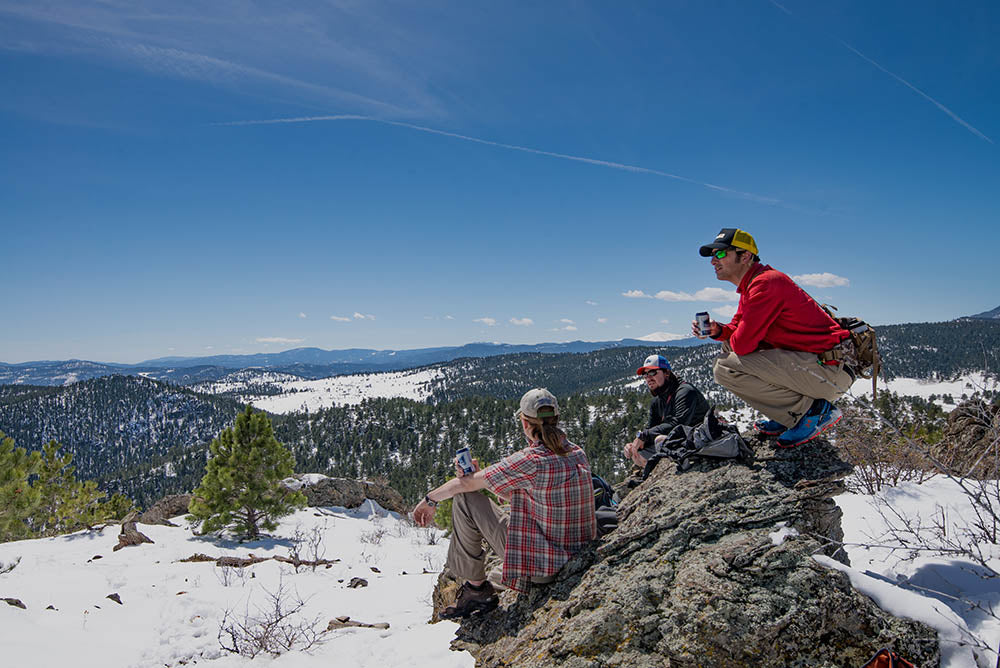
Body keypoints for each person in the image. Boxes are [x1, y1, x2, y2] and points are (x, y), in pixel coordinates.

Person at [412, 388, 597, 619]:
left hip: (545, 567)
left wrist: (429, 500)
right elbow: (538, 496)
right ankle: (490, 582)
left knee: (464, 499)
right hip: (577, 554)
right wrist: (480, 479)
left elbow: (463, 487)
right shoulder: (577, 452)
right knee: (478, 497)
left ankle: (476, 589)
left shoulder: (531, 460)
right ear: (557, 420)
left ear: (525, 423)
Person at [691, 228, 853, 448]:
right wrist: (718, 331)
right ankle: (791, 415)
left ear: (745, 256)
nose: (713, 261)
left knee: (725, 368)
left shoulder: (765, 283)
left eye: (721, 254)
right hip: (817, 367)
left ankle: (811, 412)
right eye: (712, 256)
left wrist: (734, 335)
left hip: (828, 371)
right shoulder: (753, 285)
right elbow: (736, 330)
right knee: (729, 348)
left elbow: (744, 344)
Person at [622, 354, 710, 467]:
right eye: (645, 374)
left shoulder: (685, 392)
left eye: (653, 373)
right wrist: (634, 445)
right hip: (681, 441)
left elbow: (679, 424)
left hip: (701, 438)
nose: (648, 378)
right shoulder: (657, 401)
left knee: (660, 440)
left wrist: (645, 435)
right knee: (637, 453)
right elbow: (652, 429)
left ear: (667, 373)